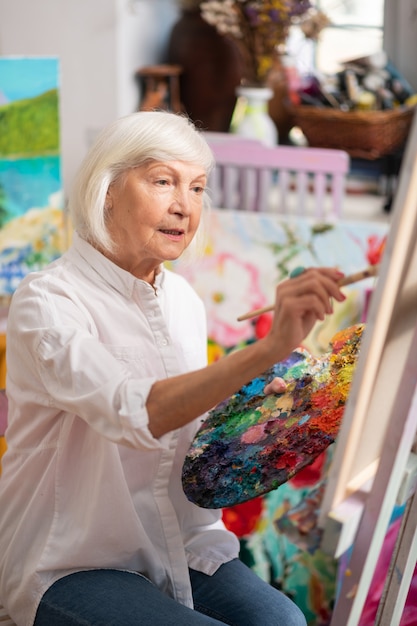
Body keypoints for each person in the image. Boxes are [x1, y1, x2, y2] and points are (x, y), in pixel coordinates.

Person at [0, 111, 346, 626]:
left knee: (285, 622)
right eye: (163, 181)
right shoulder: (47, 303)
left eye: (198, 187)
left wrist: (255, 411)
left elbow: (186, 430)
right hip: (73, 559)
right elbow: (131, 411)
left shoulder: (181, 298)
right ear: (107, 189)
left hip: (180, 541)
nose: (184, 206)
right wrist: (266, 349)